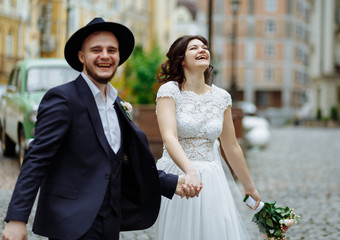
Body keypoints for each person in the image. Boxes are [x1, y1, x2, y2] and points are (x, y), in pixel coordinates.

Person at [2, 18, 199, 240]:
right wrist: (17, 219)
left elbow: (119, 163)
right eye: (96, 50)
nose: (105, 55)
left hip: (111, 221)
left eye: (111, 50)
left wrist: (172, 183)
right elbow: (36, 159)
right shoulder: (62, 99)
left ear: (118, 58)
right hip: (71, 223)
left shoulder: (117, 104)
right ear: (81, 56)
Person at [153, 35, 261, 240]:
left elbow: (231, 146)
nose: (202, 50)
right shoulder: (170, 91)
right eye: (193, 48)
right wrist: (190, 170)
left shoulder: (221, 97)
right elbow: (169, 137)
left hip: (212, 177)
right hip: (179, 176)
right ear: (182, 60)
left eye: (204, 47)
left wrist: (249, 187)